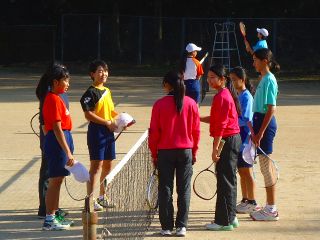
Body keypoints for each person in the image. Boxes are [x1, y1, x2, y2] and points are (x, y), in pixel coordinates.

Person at [148, 71, 200, 237]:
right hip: (185, 151)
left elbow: (154, 133)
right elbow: (196, 131)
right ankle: (181, 226)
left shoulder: (159, 105)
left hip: (165, 152)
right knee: (183, 190)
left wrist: (154, 154)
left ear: (167, 85)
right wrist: (194, 151)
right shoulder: (191, 104)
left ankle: (166, 227)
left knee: (165, 189)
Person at [200, 64, 241, 231]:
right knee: (229, 180)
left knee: (225, 181)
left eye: (212, 77)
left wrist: (215, 149)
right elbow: (217, 119)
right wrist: (198, 117)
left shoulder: (222, 97)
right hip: (231, 139)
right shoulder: (223, 95)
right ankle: (231, 218)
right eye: (208, 77)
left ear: (222, 79)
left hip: (227, 140)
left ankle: (223, 221)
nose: (209, 80)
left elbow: (221, 125)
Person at [36, 64, 75, 230]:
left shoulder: (58, 97)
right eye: (65, 80)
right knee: (54, 182)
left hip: (62, 139)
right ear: (55, 82)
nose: (67, 84)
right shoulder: (51, 98)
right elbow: (56, 128)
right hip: (57, 141)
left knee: (58, 181)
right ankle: (49, 219)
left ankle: (55, 215)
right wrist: (67, 151)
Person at [80, 59, 117, 212]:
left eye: (105, 71)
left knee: (108, 165)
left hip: (108, 132)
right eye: (100, 71)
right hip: (97, 132)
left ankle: (103, 197)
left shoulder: (107, 91)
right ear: (92, 74)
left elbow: (112, 112)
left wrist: (121, 120)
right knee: (96, 167)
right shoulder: (90, 92)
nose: (103, 74)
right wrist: (106, 123)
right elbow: (88, 115)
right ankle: (90, 200)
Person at [249, 48, 280, 221]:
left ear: (265, 61)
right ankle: (269, 207)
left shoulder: (269, 79)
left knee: (266, 168)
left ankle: (271, 209)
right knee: (263, 167)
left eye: (255, 60)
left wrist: (260, 132)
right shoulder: (263, 78)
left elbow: (271, 108)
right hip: (259, 122)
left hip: (265, 125)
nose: (253, 63)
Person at [229, 67, 260, 214]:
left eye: (235, 79)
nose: (233, 82)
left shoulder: (246, 96)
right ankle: (245, 199)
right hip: (239, 139)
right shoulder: (239, 95)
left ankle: (253, 201)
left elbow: (246, 119)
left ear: (242, 79)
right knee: (242, 172)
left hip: (246, 140)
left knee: (246, 172)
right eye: (231, 80)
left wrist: (231, 122)